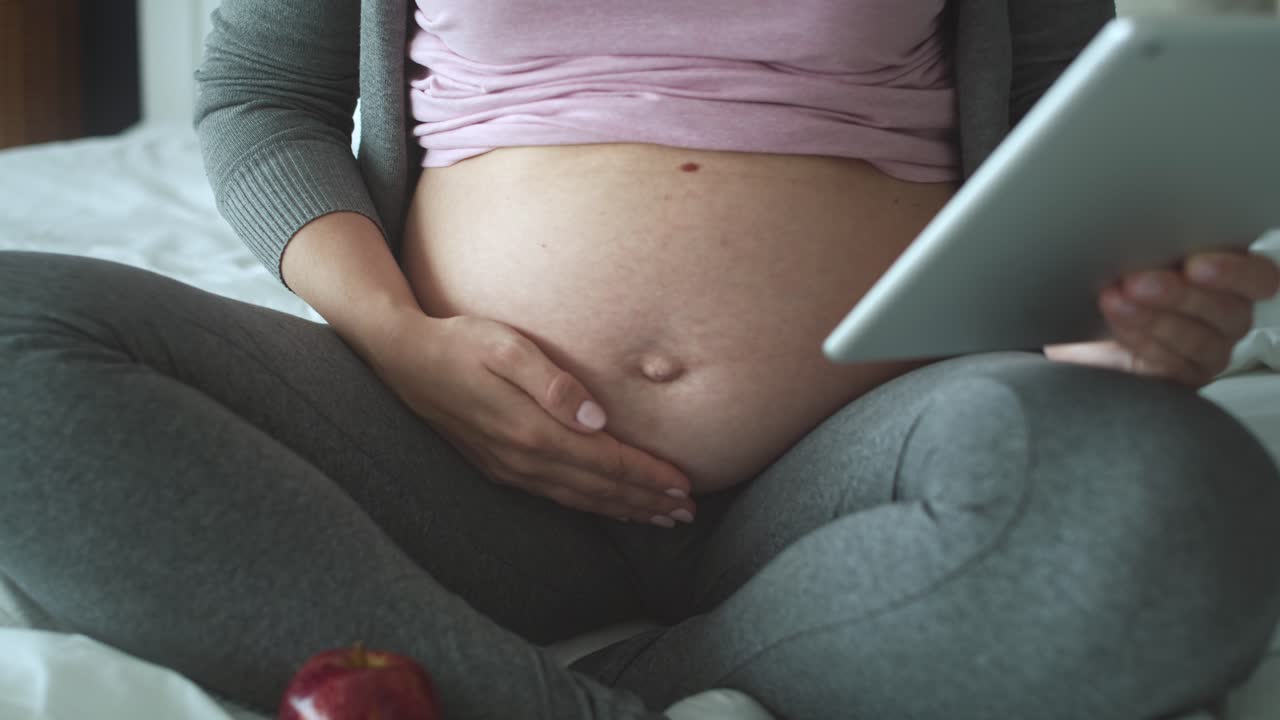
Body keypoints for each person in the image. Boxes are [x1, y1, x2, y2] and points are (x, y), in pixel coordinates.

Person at [2, 1, 1279, 718]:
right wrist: (403, 344)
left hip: (849, 467)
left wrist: (1107, 323)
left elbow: (1065, 129)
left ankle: (606, 686)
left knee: (1173, 497)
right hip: (448, 458)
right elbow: (260, 98)